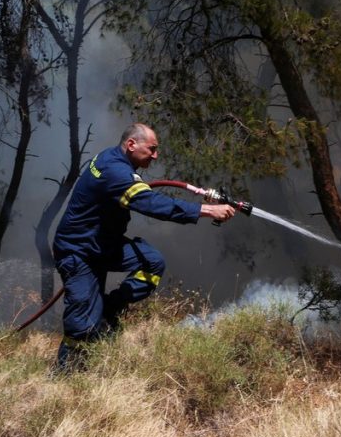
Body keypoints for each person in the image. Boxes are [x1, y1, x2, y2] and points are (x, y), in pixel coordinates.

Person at [52, 123, 235, 369]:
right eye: (152, 149)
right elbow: (150, 203)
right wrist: (207, 209)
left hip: (103, 246)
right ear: (131, 145)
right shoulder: (115, 171)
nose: (156, 155)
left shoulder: (113, 158)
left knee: (151, 262)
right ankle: (66, 374)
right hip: (78, 252)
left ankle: (108, 308)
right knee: (82, 324)